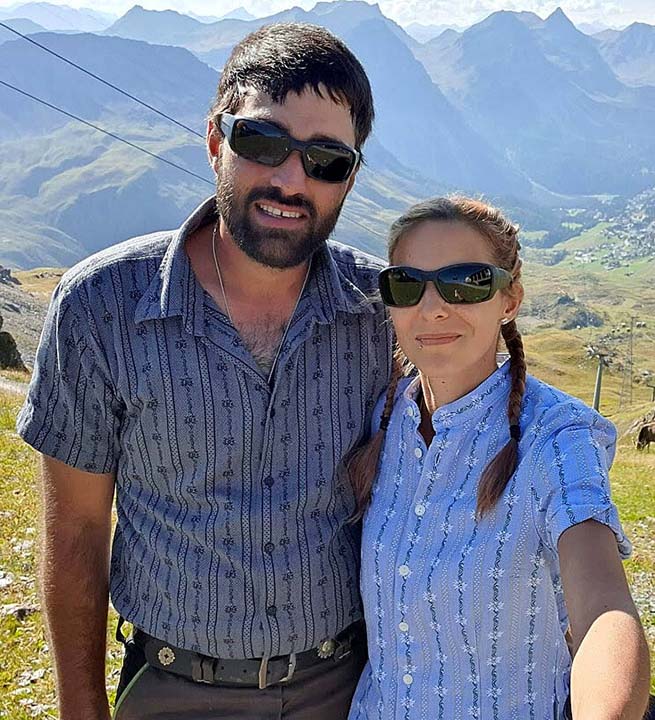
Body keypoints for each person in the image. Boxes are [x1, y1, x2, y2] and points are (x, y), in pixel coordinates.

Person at [17, 23, 390, 719]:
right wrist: (80, 706)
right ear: (216, 141)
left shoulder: (381, 312)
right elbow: (76, 534)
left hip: (350, 688)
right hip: (170, 692)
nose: (289, 179)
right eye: (262, 142)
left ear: (350, 178)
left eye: (327, 161)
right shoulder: (101, 306)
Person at [344, 197, 653, 719]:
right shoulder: (382, 416)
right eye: (406, 284)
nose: (433, 306)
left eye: (465, 282)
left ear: (509, 300)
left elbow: (604, 607)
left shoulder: (556, 435)